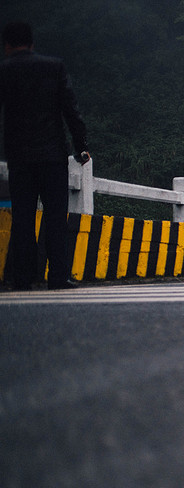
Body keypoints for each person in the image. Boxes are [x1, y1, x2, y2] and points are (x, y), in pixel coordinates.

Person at [1, 22, 89, 290]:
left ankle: (23, 278)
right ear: (31, 42)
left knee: (23, 218)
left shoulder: (4, 70)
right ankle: (58, 276)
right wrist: (81, 145)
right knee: (55, 217)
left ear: (6, 44)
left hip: (19, 156)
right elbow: (70, 108)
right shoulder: (54, 66)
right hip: (52, 154)